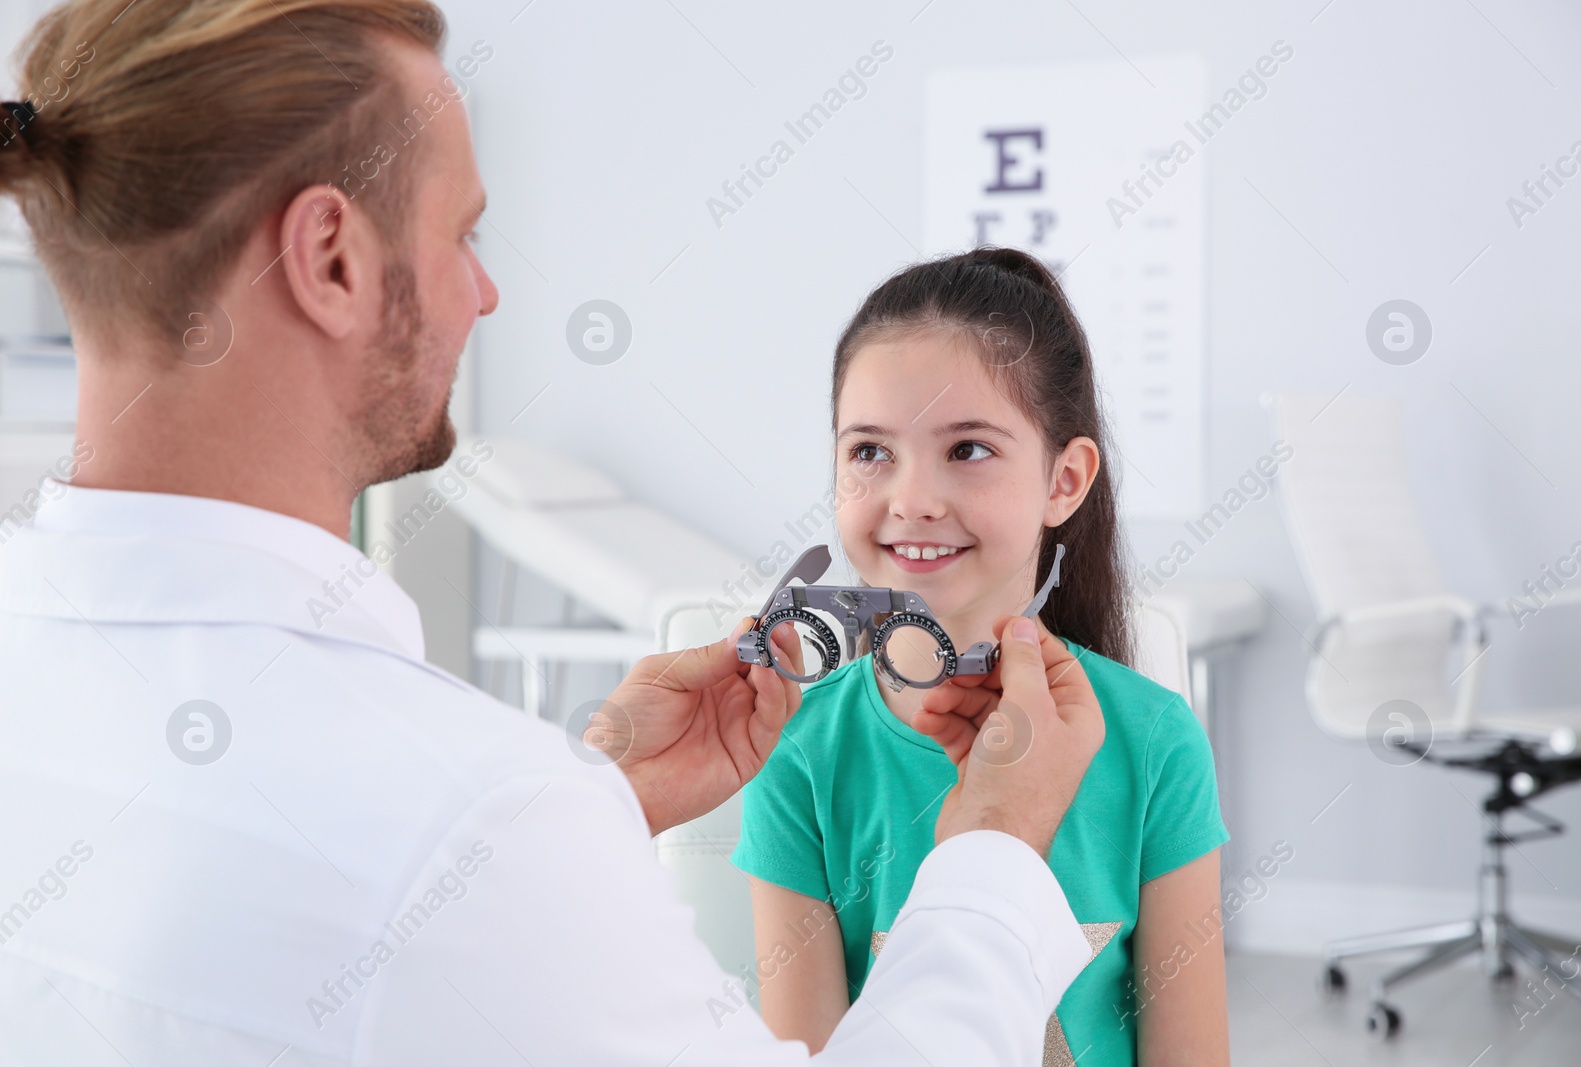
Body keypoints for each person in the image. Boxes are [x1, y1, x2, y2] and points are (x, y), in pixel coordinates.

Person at [0, 2, 1108, 1063]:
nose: (483, 294)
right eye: (462, 233)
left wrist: (591, 799)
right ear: (332, 257)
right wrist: (996, 852)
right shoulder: (472, 820)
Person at [730, 248, 1231, 1065]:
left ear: (1064, 480)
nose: (913, 499)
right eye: (869, 451)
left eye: (967, 449)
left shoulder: (1155, 741)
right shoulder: (798, 755)